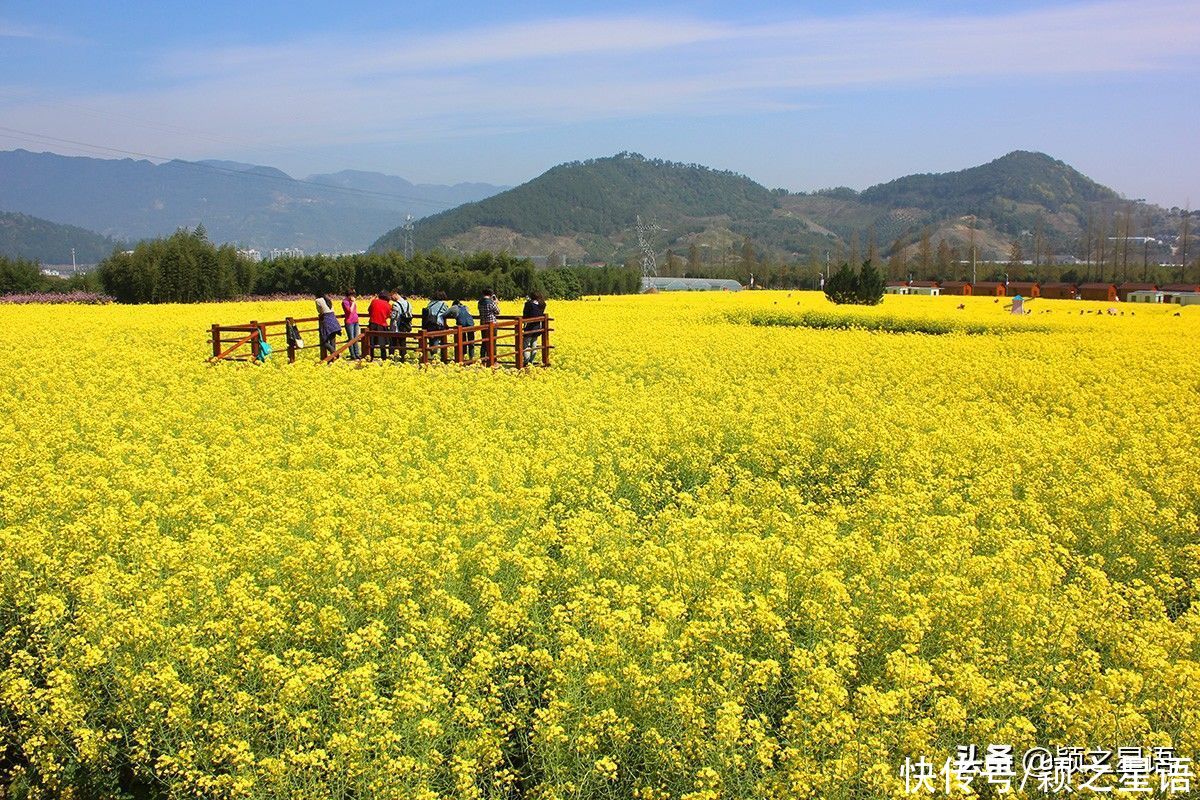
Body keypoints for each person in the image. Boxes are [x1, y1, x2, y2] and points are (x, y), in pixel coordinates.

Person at [423, 291, 451, 361]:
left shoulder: (430, 303)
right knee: (437, 341)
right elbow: (447, 313)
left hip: (429, 324)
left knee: (431, 341)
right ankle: (436, 358)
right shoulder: (443, 304)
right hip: (438, 325)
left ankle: (432, 356)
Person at [522, 291, 547, 365]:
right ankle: (531, 361)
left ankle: (526, 361)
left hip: (530, 327)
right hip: (538, 327)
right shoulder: (542, 304)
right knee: (534, 344)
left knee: (525, 345)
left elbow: (525, 315)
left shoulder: (528, 304)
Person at [367, 290, 392, 360]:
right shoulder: (388, 305)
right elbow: (388, 315)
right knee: (382, 344)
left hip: (372, 323)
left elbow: (369, 310)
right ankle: (383, 358)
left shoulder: (374, 301)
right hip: (382, 325)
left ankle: (370, 357)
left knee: (371, 343)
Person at [315, 293, 341, 357]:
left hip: (326, 320)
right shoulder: (328, 300)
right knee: (332, 340)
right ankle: (333, 358)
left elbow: (319, 311)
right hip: (333, 320)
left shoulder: (318, 300)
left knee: (323, 342)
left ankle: (335, 353)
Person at [389, 290, 412, 360]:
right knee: (403, 343)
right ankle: (403, 359)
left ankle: (392, 359)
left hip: (396, 327)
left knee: (393, 345)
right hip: (405, 327)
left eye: (392, 295)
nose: (391, 297)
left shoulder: (395, 304)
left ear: (396, 294)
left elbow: (393, 316)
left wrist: (389, 313)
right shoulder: (408, 303)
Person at [477, 289, 499, 364]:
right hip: (492, 324)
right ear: (491, 294)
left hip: (483, 324)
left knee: (484, 342)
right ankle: (493, 360)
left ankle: (483, 360)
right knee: (493, 342)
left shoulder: (480, 302)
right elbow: (497, 311)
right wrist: (495, 303)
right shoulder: (491, 302)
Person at [342, 290, 361, 359]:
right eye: (352, 295)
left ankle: (357, 354)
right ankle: (353, 355)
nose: (353, 297)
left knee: (356, 338)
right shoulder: (345, 302)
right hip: (349, 322)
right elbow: (350, 311)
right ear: (349, 295)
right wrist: (353, 303)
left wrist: (353, 302)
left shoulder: (351, 301)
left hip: (355, 321)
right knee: (351, 339)